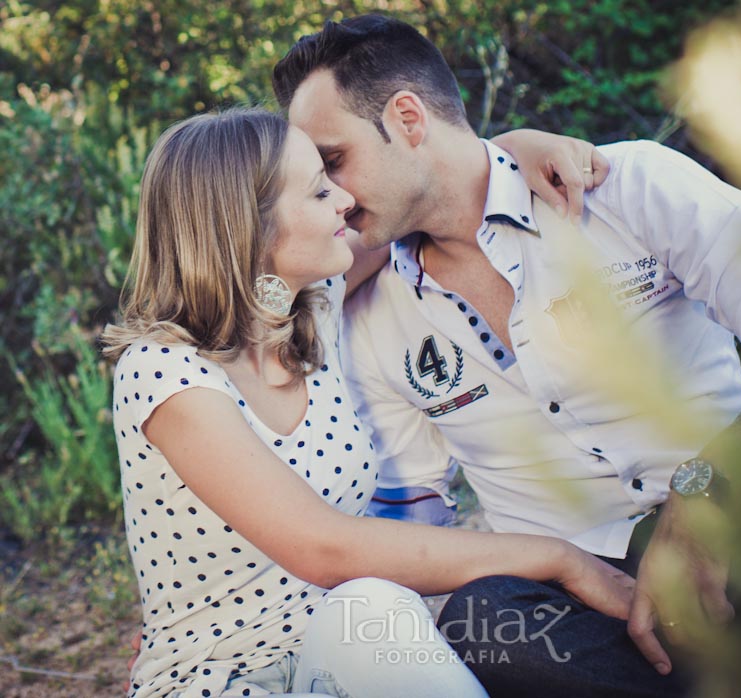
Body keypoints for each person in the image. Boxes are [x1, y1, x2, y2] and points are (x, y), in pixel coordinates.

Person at [271, 13, 741, 698]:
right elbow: (405, 525)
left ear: (409, 119)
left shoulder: (627, 189)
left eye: (333, 161)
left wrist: (705, 496)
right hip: (583, 616)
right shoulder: (366, 314)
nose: (334, 198)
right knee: (484, 624)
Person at [102, 105, 636, 697]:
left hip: (340, 660)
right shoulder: (161, 370)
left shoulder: (315, 310)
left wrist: (516, 147)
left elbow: (436, 189)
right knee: (366, 602)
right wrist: (560, 559)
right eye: (317, 190)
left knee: (366, 611)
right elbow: (323, 548)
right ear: (248, 228)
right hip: (222, 680)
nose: (344, 201)